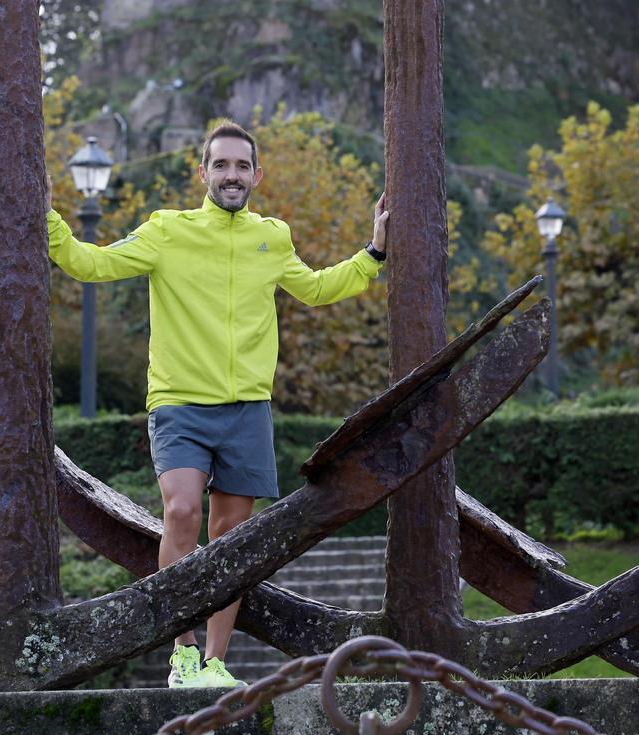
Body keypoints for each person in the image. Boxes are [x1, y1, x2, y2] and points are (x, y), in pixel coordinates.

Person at [45, 121, 389, 688]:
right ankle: (181, 653)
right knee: (180, 512)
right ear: (203, 173)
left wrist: (375, 250)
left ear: (257, 175)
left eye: (242, 166)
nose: (232, 174)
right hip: (180, 402)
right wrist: (48, 217)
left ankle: (214, 663)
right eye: (221, 165)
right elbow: (91, 263)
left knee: (232, 542)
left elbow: (320, 288)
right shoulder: (166, 231)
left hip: (247, 410)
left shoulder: (273, 238)